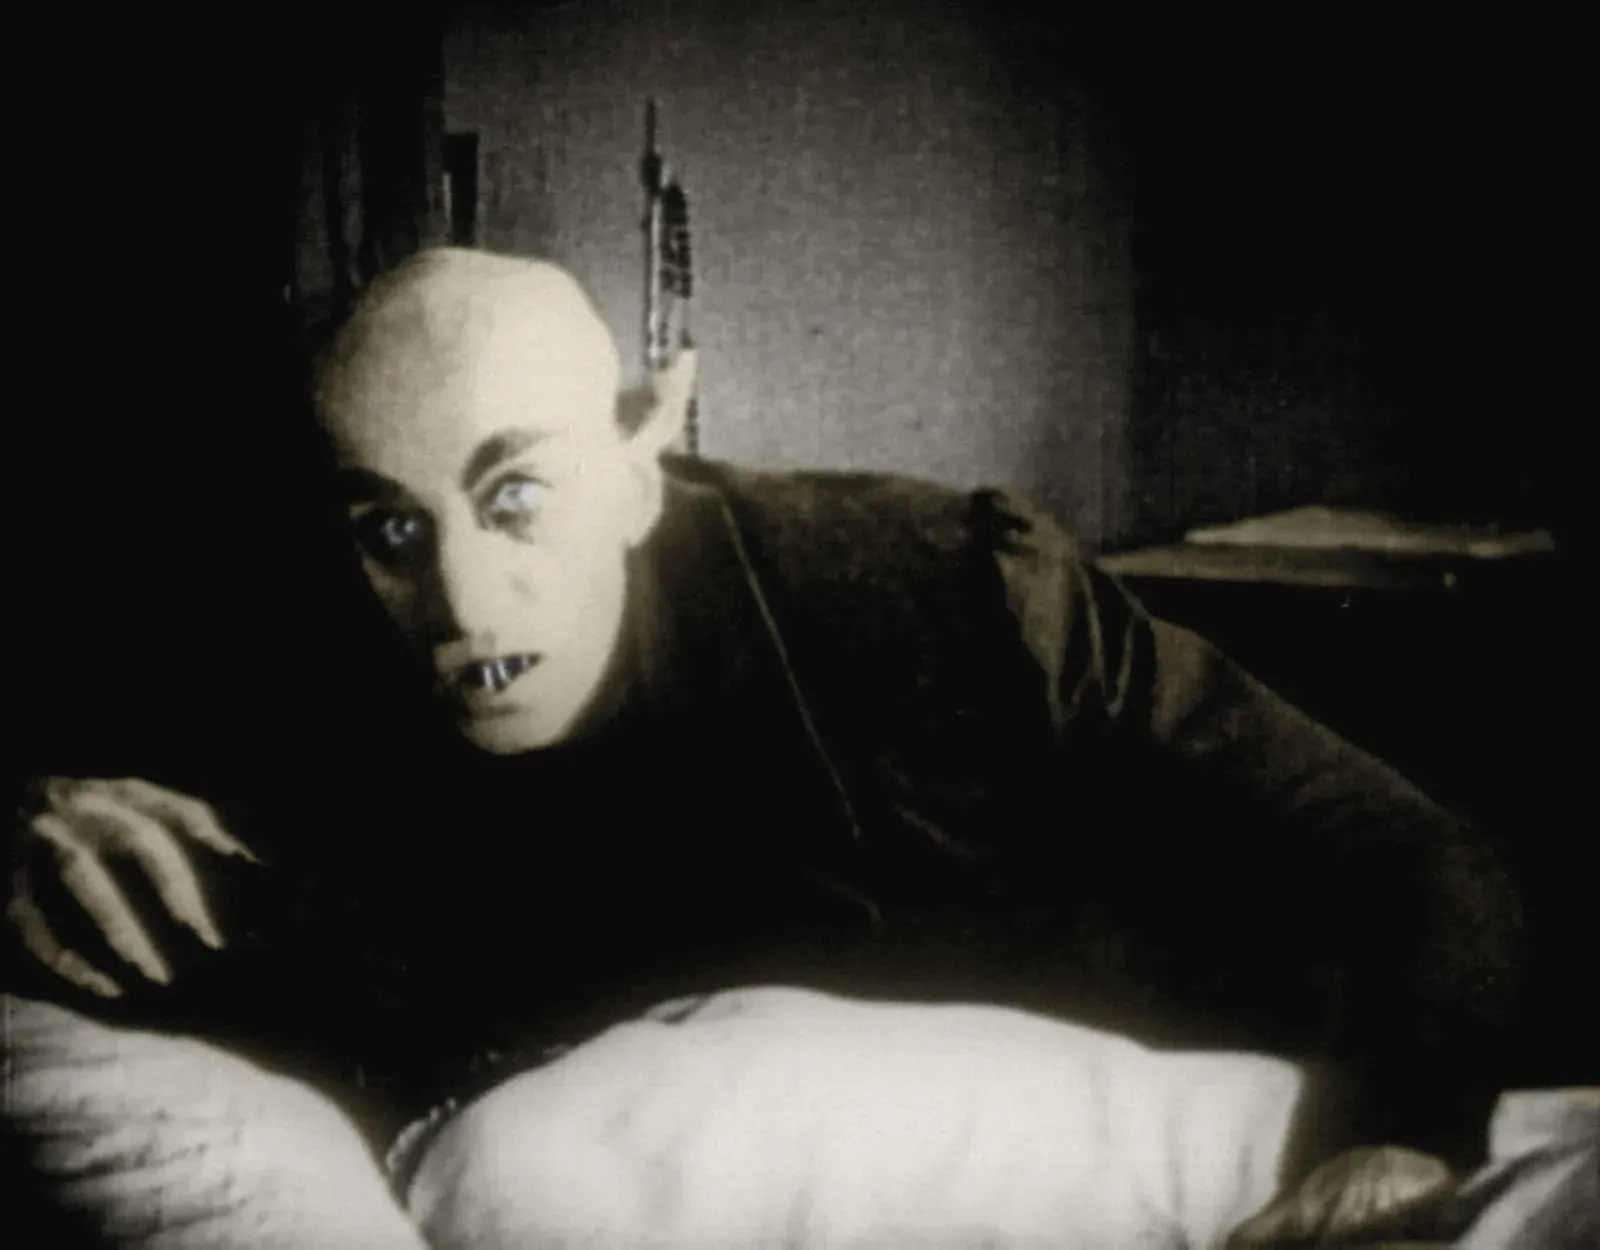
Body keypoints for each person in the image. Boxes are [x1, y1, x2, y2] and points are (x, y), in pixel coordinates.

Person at [4, 247, 1526, 1246]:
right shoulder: (315, 662)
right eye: (391, 528)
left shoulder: (938, 597)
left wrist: (1399, 1139)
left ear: (642, 453)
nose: (457, 598)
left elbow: (1406, 849)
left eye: (516, 495)